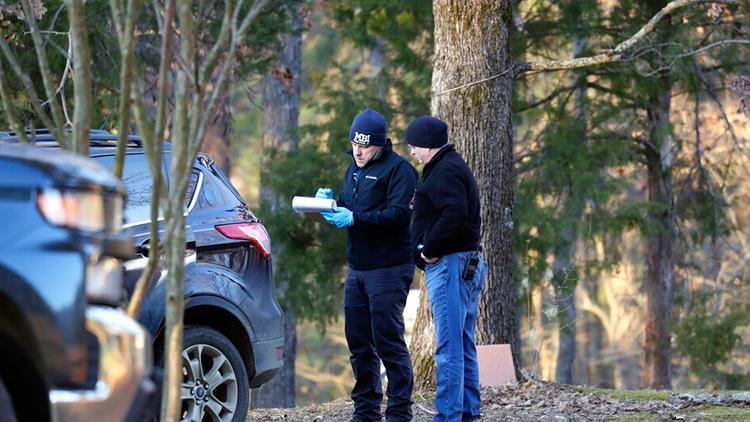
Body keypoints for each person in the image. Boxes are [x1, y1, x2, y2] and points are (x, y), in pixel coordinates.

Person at [316, 108, 418, 421]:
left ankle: (399, 412)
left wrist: (355, 218)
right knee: (359, 342)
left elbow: (399, 215)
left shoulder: (400, 170)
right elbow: (352, 206)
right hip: (358, 268)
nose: (358, 151)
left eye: (365, 145)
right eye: (354, 144)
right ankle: (366, 410)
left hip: (389, 268)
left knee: (387, 339)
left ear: (380, 144)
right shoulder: (354, 169)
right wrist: (331, 204)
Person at [406, 115, 487, 422]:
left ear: (428, 144)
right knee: (462, 341)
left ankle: (449, 415)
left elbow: (455, 213)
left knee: (449, 346)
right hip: (465, 263)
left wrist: (429, 249)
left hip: (452, 265)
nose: (412, 151)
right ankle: (467, 411)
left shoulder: (445, 171)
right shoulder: (450, 166)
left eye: (415, 145)